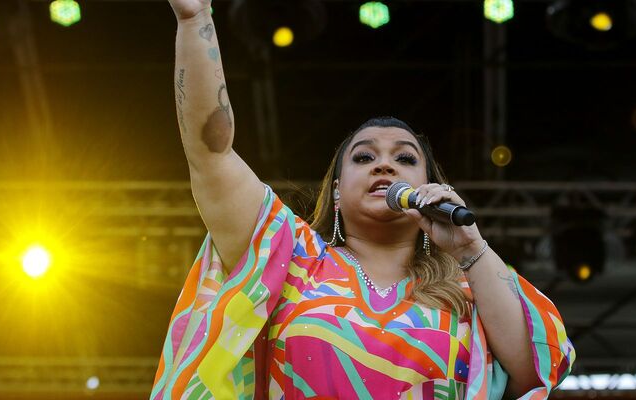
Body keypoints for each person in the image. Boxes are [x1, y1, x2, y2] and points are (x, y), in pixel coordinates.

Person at [151, 0, 576, 398]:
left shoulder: (469, 288)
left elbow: (533, 372)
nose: (384, 166)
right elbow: (211, 154)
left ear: (430, 185)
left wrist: (470, 249)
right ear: (336, 189)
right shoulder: (291, 257)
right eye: (364, 156)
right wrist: (195, 18)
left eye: (405, 158)